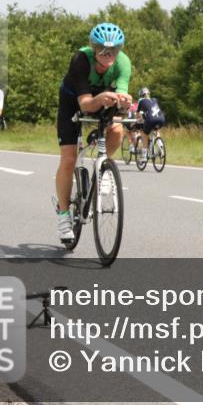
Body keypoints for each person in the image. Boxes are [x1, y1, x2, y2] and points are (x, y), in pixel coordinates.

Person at [53, 23, 132, 242]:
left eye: (114, 50)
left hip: (102, 96)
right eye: (103, 50)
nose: (109, 55)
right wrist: (101, 99)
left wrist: (124, 103)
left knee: (117, 128)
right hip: (74, 99)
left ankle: (103, 169)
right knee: (69, 158)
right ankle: (63, 215)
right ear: (94, 49)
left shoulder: (123, 63)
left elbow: (122, 94)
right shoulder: (80, 59)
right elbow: (86, 104)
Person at [132, 87, 166, 163]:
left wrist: (137, 121)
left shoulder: (141, 101)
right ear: (149, 94)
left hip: (151, 120)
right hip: (161, 119)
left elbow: (137, 115)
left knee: (144, 134)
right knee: (156, 131)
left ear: (141, 95)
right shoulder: (155, 100)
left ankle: (144, 156)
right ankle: (160, 146)